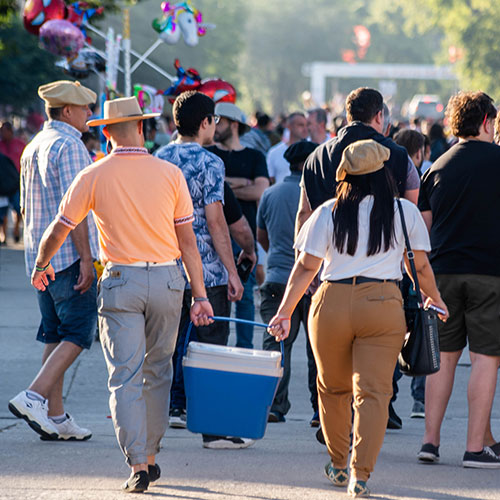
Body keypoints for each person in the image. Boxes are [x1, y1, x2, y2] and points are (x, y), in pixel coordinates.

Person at [25, 96, 213, 492]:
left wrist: (42, 265)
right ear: (142, 129)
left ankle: (138, 464)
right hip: (167, 280)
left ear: (106, 132)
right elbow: (188, 243)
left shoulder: (94, 174)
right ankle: (153, 455)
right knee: (158, 372)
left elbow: (59, 229)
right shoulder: (169, 174)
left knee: (124, 376)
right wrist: (200, 295)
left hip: (121, 282)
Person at [268, 139, 448, 497]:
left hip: (331, 302)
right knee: (374, 393)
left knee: (332, 389)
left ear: (344, 176)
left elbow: (305, 268)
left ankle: (337, 463)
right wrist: (436, 299)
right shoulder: (403, 213)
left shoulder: (328, 211)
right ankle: (360, 474)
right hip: (383, 303)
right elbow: (421, 267)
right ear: (384, 174)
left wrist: (284, 312)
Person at [155, 91, 250, 449]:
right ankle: (213, 429)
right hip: (206, 273)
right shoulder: (210, 162)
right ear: (206, 122)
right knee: (211, 348)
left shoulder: (159, 158)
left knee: (163, 349)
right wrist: (232, 271)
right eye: (215, 120)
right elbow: (216, 222)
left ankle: (154, 428)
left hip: (165, 268)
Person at [8, 80, 99, 443]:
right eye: (85, 109)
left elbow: (27, 208)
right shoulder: (70, 145)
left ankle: (56, 416)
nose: (90, 114)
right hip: (67, 258)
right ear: (67, 111)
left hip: (41, 258)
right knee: (77, 333)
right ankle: (34, 396)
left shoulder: (34, 145)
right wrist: (87, 258)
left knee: (55, 333)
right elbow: (72, 212)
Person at [417, 91, 500, 468]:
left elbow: (423, 232)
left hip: (443, 274)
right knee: (485, 359)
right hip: (490, 273)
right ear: (486, 121)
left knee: (443, 360)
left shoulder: (436, 168)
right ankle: (473, 448)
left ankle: (430, 443)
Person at [298, 88, 420, 233]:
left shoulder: (316, 157)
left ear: (349, 117)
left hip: (326, 250)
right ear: (379, 116)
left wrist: (299, 254)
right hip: (386, 250)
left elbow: (304, 213)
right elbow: (410, 212)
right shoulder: (400, 156)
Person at [257, 140, 319, 424]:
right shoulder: (321, 196)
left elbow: (262, 236)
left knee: (276, 345)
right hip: (314, 281)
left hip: (277, 278)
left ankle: (273, 404)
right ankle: (321, 409)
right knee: (318, 348)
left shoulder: (270, 193)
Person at [208, 101, 269, 349]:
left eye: (218, 121)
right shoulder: (209, 153)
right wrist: (241, 182)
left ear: (233, 124)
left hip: (245, 238)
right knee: (215, 296)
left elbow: (261, 191)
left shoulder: (255, 156)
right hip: (215, 236)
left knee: (244, 299)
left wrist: (224, 185)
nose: (213, 125)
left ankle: (244, 352)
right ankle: (213, 350)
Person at [393, 128, 427, 418]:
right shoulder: (417, 178)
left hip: (388, 270)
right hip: (412, 267)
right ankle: (419, 398)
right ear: (419, 153)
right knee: (418, 331)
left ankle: (389, 398)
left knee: (390, 334)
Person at [0, 121, 26, 243]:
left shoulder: (20, 145)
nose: (3, 134)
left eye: (5, 131)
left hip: (17, 183)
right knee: (2, 210)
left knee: (18, 208)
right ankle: (3, 235)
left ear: (10, 131)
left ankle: (16, 229)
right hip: (2, 185)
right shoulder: (0, 145)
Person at [267, 112, 308, 184]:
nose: (305, 129)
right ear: (289, 126)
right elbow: (270, 179)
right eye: (300, 125)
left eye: (306, 125)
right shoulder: (274, 152)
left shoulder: (312, 151)